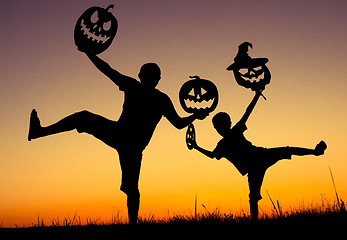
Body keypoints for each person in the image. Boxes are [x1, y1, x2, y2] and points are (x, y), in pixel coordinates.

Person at [28, 51, 208, 224]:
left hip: (128, 142)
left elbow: (108, 70)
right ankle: (40, 132)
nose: (150, 78)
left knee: (132, 189)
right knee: (83, 118)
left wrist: (194, 116)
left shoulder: (153, 95)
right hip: (122, 136)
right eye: (149, 75)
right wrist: (195, 116)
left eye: (151, 75)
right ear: (147, 77)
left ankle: (132, 224)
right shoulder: (150, 94)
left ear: (146, 76)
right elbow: (108, 70)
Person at [187, 73, 327, 220]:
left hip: (259, 157)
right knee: (254, 195)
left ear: (224, 125)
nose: (221, 128)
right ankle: (315, 152)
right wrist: (196, 146)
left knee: (286, 151)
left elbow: (247, 113)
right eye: (220, 126)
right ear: (220, 127)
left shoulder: (230, 137)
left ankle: (315, 152)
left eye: (222, 125)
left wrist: (256, 96)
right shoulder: (224, 143)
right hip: (255, 165)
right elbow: (213, 155)